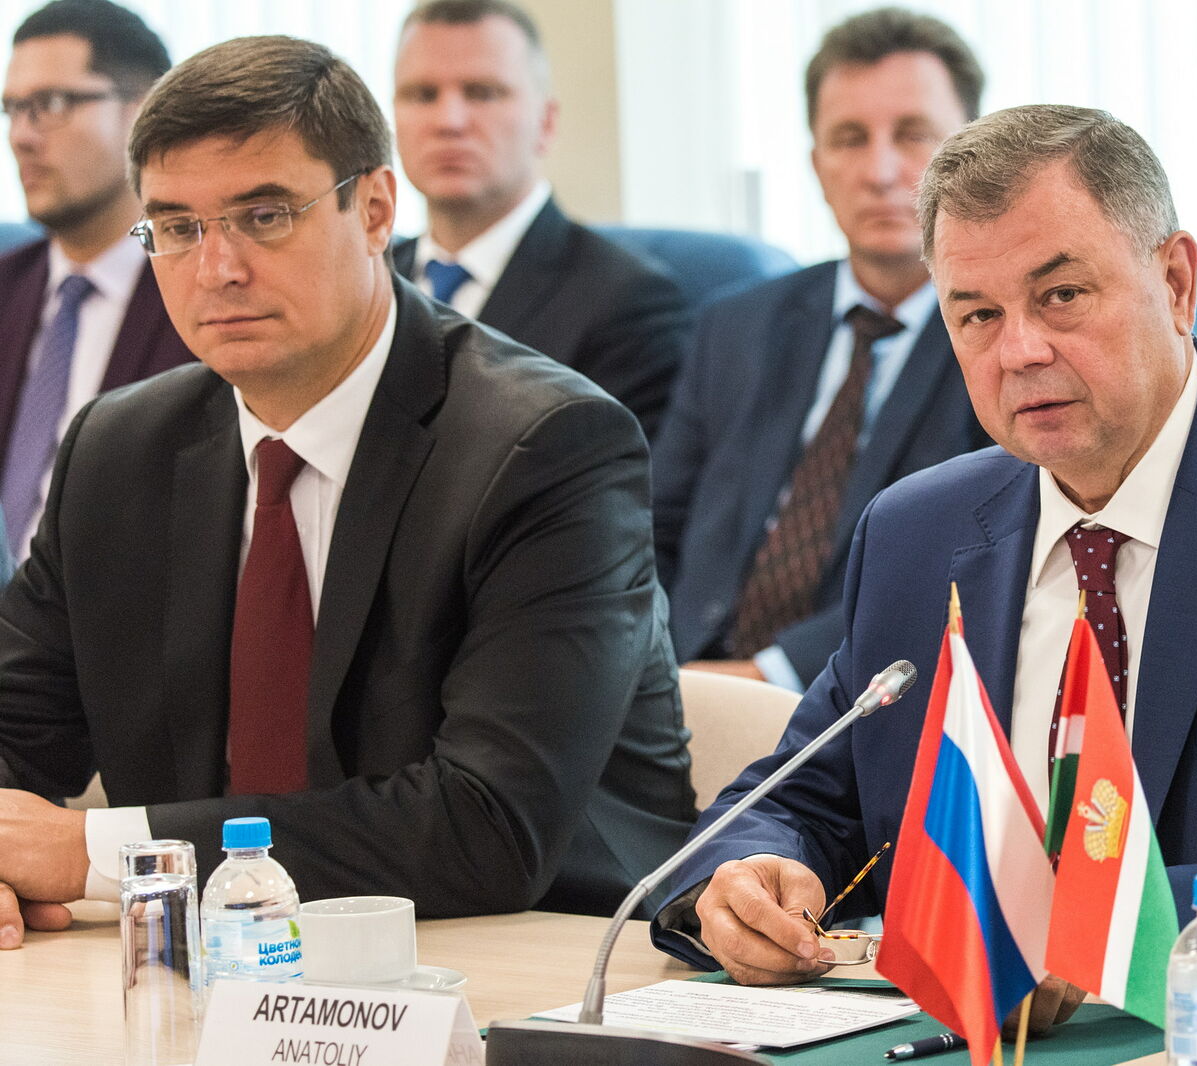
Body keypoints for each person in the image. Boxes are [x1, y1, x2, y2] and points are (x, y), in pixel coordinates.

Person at [652, 105, 1197, 1019]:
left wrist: (1109, 932)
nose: (1020, 351)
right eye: (978, 314)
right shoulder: (917, 532)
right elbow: (800, 799)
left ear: (1176, 282)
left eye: (1061, 296)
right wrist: (747, 874)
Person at [0, 34, 694, 950]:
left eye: (264, 216)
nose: (217, 269)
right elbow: (15, 729)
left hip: (538, 959)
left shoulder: (547, 446)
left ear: (374, 210)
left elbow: (486, 826)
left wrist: (97, 852)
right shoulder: (118, 450)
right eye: (177, 227)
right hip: (214, 967)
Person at [652, 8, 990, 693]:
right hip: (680, 683)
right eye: (849, 139)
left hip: (870, 695)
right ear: (816, 164)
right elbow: (649, 531)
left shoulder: (1007, 339)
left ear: (973, 153)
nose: (881, 171)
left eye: (913, 135)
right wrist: (648, 667)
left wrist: (765, 675)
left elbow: (980, 564)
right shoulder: (735, 325)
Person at [389, 0, 687, 439]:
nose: (448, 121)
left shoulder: (627, 303)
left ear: (546, 122)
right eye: (422, 95)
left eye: (482, 92)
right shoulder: (365, 280)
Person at [0, 0, 190, 563]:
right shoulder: (7, 287)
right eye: (12, 109)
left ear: (144, 111)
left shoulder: (206, 293)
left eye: (51, 105)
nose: (21, 136)